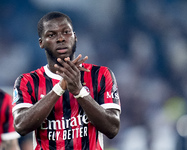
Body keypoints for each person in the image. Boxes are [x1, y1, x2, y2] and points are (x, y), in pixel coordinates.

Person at [12, 11, 121, 150]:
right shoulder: (27, 81)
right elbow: (21, 126)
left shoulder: (101, 75)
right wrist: (59, 88)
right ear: (41, 43)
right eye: (51, 35)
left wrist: (79, 91)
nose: (61, 39)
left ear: (75, 37)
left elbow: (112, 128)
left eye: (66, 32)